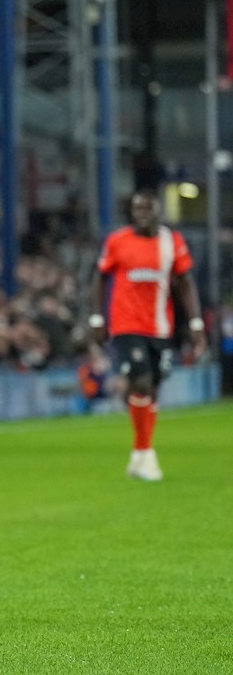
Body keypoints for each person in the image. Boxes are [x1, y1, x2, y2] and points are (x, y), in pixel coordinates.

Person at [90, 190, 206, 482]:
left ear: (158, 211)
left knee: (152, 387)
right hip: (126, 325)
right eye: (136, 209)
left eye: (146, 209)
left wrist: (195, 324)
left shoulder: (172, 243)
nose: (140, 214)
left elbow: (185, 282)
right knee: (139, 381)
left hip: (160, 327)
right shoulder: (117, 241)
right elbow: (101, 277)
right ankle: (147, 454)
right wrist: (97, 318)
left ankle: (139, 455)